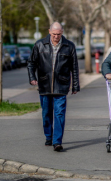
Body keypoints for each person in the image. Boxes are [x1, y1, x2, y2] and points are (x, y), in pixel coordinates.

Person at [27, 22, 80, 152]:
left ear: (62, 32)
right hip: (44, 85)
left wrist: (75, 85)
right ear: (49, 31)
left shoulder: (69, 46)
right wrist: (32, 78)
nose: (56, 37)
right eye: (54, 34)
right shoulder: (40, 45)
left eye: (59, 34)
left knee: (60, 113)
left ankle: (57, 142)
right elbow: (31, 63)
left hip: (61, 85)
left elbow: (74, 67)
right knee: (46, 113)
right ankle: (49, 136)